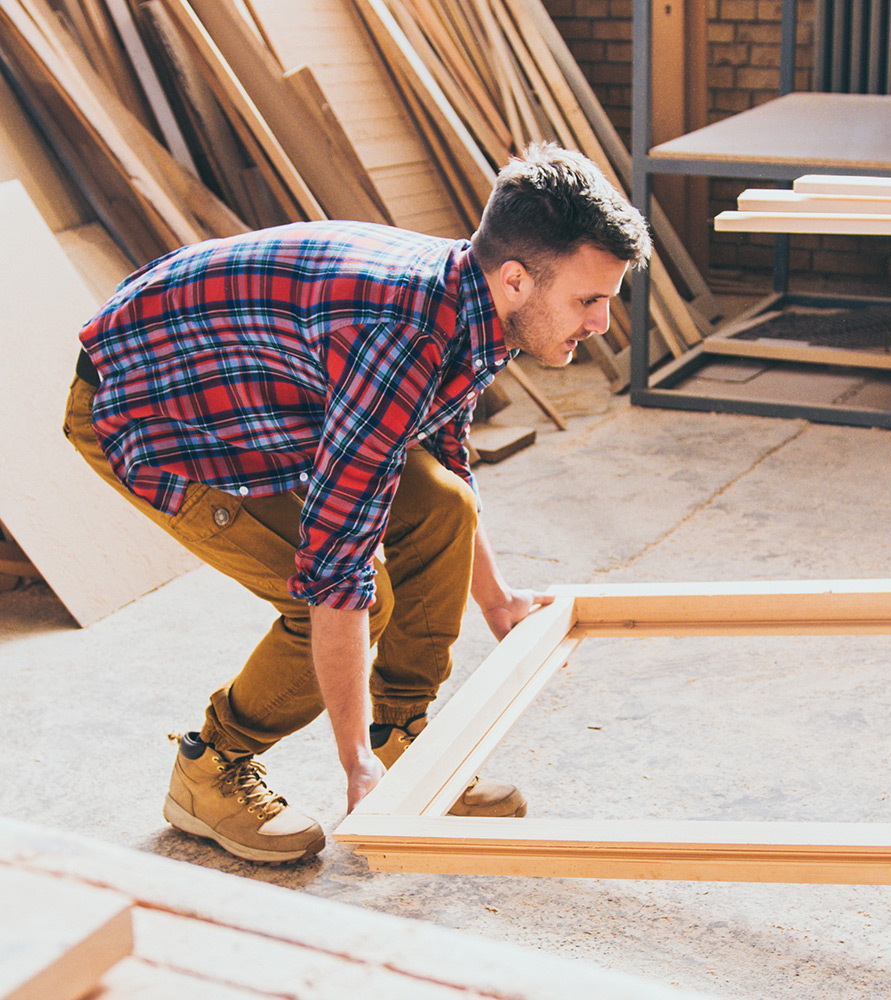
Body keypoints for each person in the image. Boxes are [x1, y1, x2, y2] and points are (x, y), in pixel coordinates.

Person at [64, 142, 651, 864]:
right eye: (588, 300)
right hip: (154, 411)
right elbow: (335, 575)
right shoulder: (399, 341)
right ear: (517, 279)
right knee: (343, 598)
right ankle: (209, 766)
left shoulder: (480, 305)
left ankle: (404, 738)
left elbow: (445, 460)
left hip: (255, 388)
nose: (601, 322)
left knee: (442, 507)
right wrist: (353, 770)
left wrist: (497, 601)